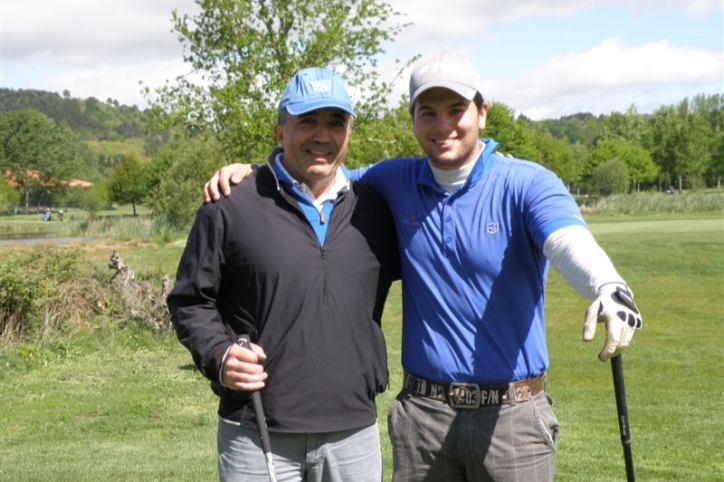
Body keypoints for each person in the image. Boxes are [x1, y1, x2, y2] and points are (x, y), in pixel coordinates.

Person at [203, 52, 643, 482]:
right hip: (422, 419)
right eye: (428, 112)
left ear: (482, 112)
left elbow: (565, 238)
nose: (442, 125)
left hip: (511, 418)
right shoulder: (391, 180)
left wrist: (606, 284)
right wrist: (257, 172)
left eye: (456, 110)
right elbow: (320, 171)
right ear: (412, 117)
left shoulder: (526, 182)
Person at [167, 67, 400, 482]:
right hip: (256, 431)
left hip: (354, 431)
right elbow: (190, 300)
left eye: (335, 122)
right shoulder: (230, 202)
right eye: (307, 121)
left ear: (349, 133)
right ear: (280, 131)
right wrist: (219, 355)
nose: (322, 134)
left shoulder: (376, 209)